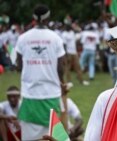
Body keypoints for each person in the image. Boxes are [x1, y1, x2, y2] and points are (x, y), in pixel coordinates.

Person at [15, 4, 66, 140]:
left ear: (34, 19)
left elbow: (19, 65)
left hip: (29, 95)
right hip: (51, 95)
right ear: (48, 18)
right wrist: (62, 82)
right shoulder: (56, 38)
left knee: (29, 137)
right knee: (53, 136)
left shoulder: (22, 38)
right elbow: (60, 67)